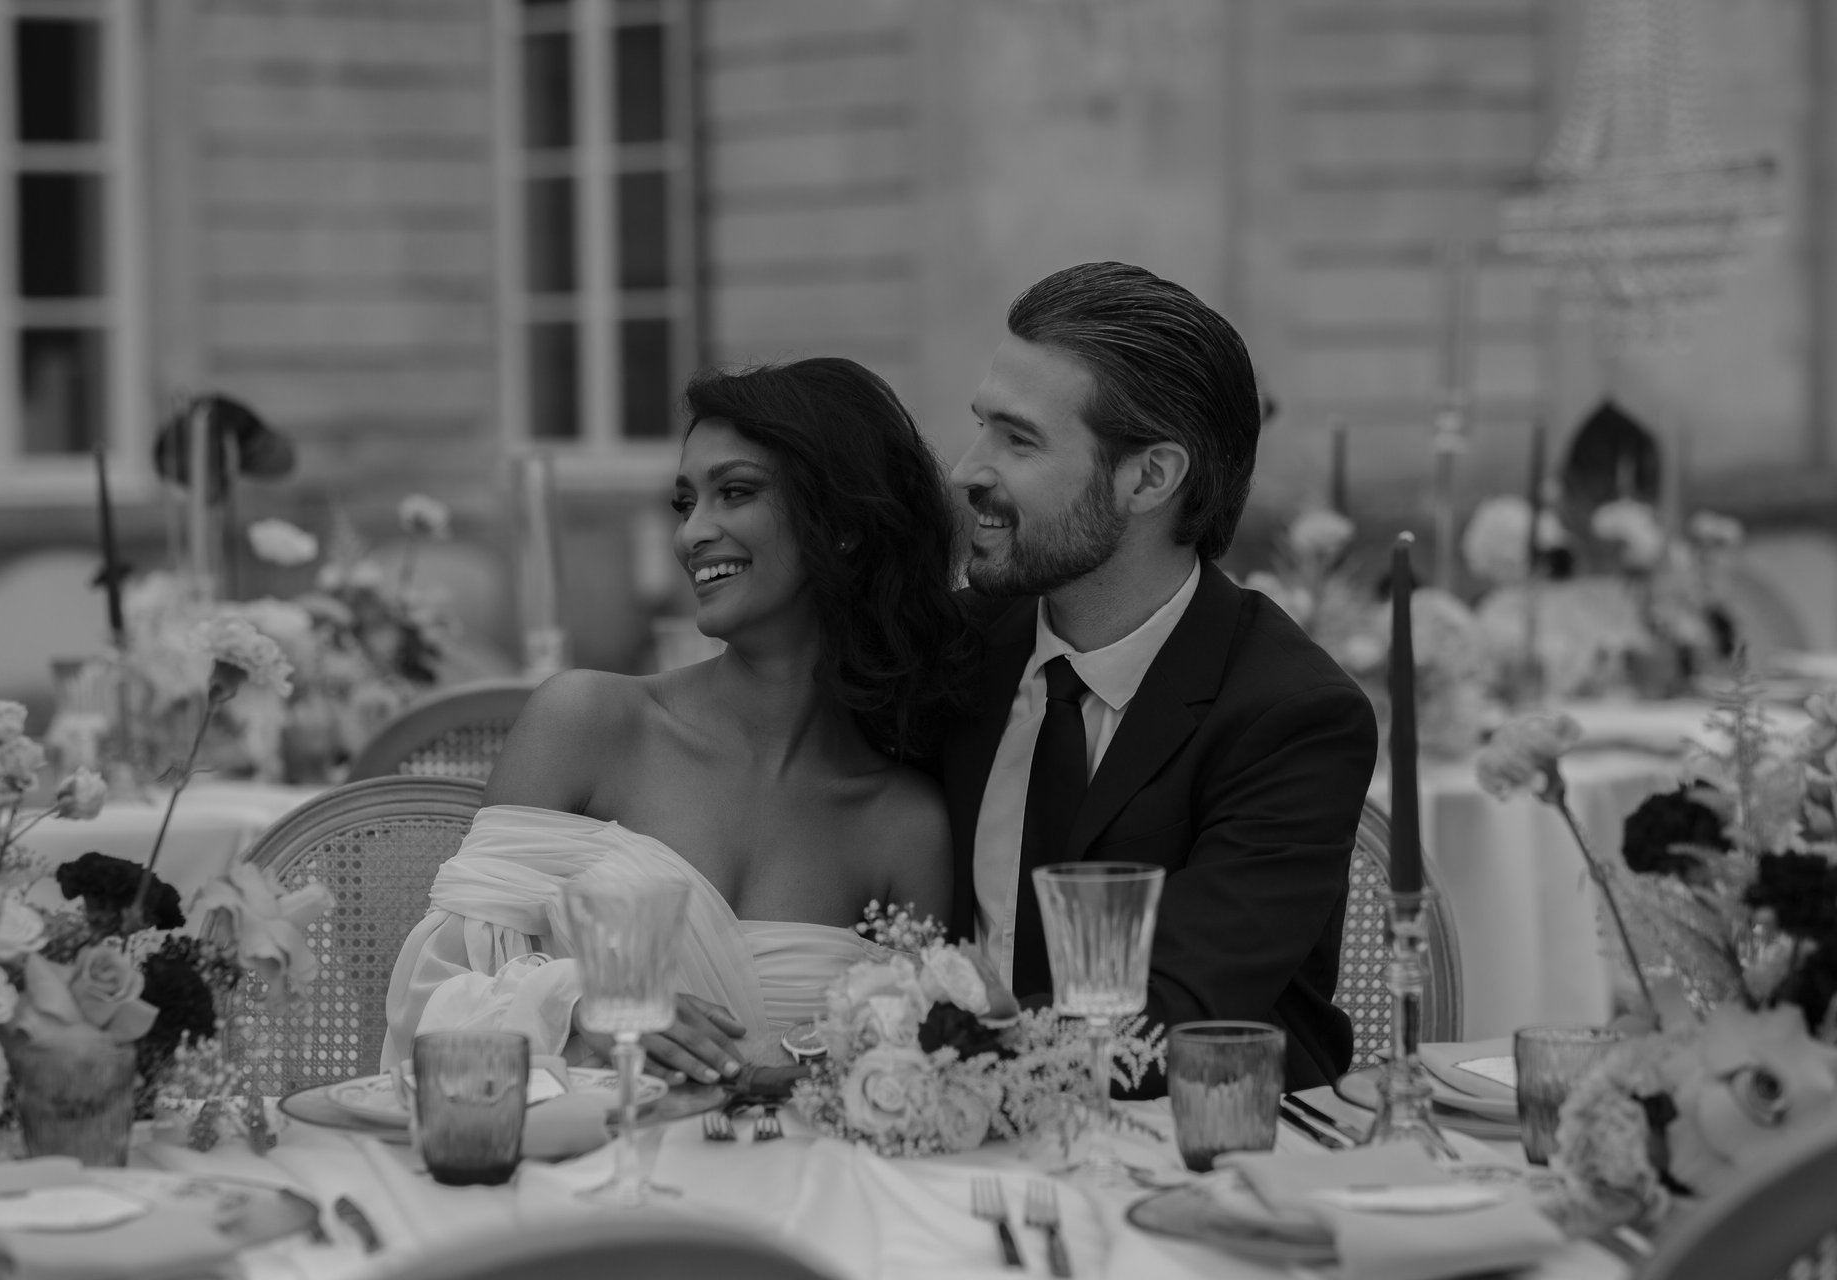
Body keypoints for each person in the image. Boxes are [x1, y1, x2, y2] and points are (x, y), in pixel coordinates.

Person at [385, 358, 974, 1088]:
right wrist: (581, 1005)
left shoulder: (904, 824)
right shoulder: (588, 723)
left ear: (847, 524)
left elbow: (920, 1069)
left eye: (736, 493)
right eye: (685, 502)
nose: (693, 533)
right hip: (575, 1178)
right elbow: (425, 1009)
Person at [940, 262, 1377, 1092]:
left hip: (1209, 1158)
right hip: (941, 1153)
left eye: (1018, 438)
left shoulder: (1293, 713)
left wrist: (918, 1041)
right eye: (981, 426)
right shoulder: (955, 651)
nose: (968, 469)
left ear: (1149, 477)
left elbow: (1185, 1006)